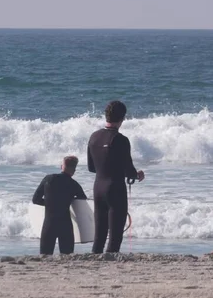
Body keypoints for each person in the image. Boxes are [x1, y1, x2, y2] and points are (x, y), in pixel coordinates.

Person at [87, 100, 145, 254]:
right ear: (122, 118)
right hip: (115, 188)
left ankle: (95, 262)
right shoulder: (121, 140)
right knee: (115, 235)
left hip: (98, 187)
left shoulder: (94, 137)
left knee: (99, 234)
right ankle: (110, 265)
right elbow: (129, 169)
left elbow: (91, 167)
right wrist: (137, 175)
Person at [32, 156, 87, 255]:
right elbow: (83, 202)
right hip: (65, 225)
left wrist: (50, 203)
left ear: (62, 166)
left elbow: (35, 199)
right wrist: (68, 202)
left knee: (45, 257)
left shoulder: (48, 179)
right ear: (74, 170)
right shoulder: (74, 184)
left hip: (49, 224)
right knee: (67, 257)